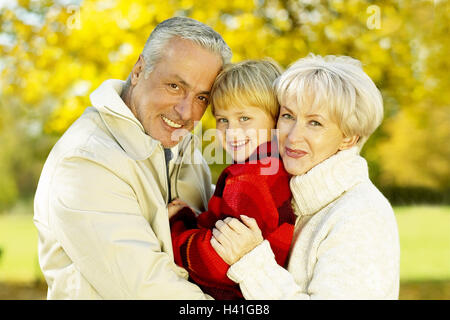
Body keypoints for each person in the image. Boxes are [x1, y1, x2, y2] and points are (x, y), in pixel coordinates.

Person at [33, 16, 232, 299]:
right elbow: (149, 290)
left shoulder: (182, 148)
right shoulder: (85, 161)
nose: (187, 112)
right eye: (175, 86)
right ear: (139, 70)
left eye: (202, 98)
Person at [210, 54, 401, 299]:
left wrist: (252, 264)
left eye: (315, 123)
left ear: (349, 137)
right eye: (288, 116)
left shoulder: (361, 216)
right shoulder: (289, 194)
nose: (293, 136)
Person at [168, 60, 296, 300]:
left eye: (244, 118)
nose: (231, 130)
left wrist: (178, 228)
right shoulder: (277, 168)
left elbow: (218, 261)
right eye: (222, 119)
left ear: (276, 118)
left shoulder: (249, 180)